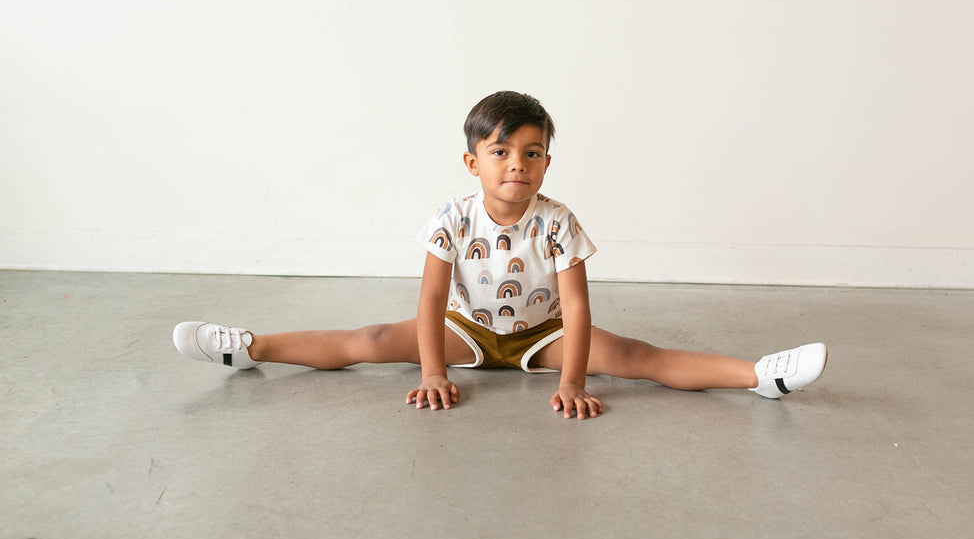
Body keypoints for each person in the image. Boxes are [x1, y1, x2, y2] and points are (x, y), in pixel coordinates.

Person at [173, 91, 827, 419]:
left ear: (547, 159)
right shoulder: (451, 219)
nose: (517, 164)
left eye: (532, 152)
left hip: (545, 334)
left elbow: (576, 306)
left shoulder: (559, 221)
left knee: (636, 358)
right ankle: (247, 345)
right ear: (473, 161)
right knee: (366, 339)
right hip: (468, 331)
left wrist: (572, 380)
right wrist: (432, 369)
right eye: (501, 151)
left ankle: (760, 375)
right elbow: (431, 300)